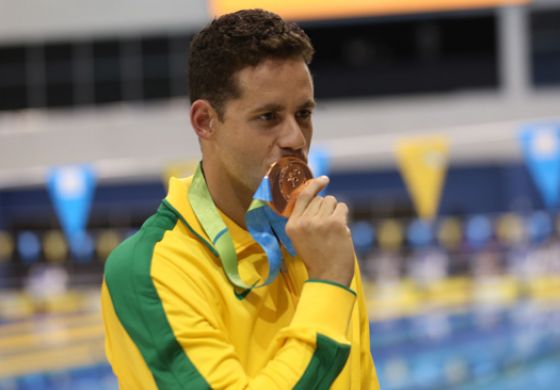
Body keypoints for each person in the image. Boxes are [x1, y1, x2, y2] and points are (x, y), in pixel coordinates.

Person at [101, 9, 379, 389]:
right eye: (268, 117)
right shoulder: (148, 269)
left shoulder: (319, 241)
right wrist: (328, 285)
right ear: (204, 121)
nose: (295, 138)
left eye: (304, 113)